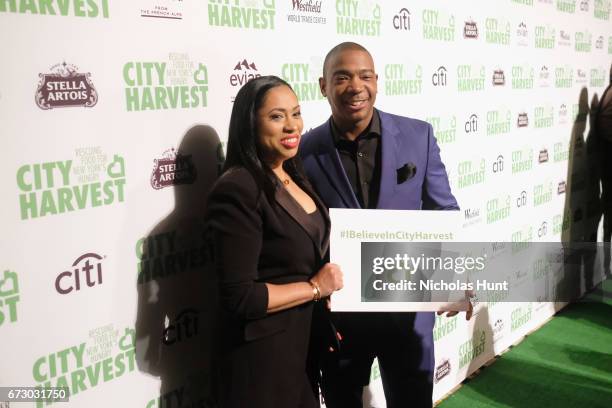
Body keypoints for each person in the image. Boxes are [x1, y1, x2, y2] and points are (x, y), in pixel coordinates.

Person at [299, 42, 464, 408]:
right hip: (341, 319)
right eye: (341, 77)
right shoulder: (304, 152)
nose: (355, 86)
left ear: (377, 81)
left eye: (365, 76)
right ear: (323, 86)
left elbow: (444, 210)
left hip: (408, 313)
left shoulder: (418, 136)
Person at [204, 75, 343, 408]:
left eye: (295, 113)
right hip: (261, 364)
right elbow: (240, 296)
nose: (291, 126)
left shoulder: (291, 173)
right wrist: (314, 288)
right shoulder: (238, 188)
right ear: (250, 124)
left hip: (301, 350)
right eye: (277, 116)